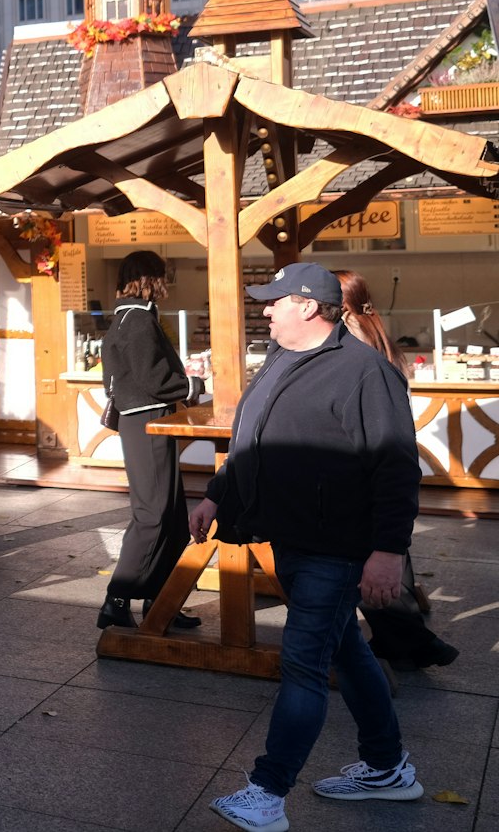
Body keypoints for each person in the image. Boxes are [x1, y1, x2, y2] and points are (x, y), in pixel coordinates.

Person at [190, 263, 423, 831]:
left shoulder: (365, 372)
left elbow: (396, 469)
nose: (264, 310)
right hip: (292, 536)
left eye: (274, 301)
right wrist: (218, 493)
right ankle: (388, 767)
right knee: (345, 650)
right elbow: (252, 437)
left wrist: (388, 551)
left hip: (336, 547)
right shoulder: (282, 357)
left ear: (310, 307)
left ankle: (267, 794)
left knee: (303, 663)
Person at [336, 269, 456, 673]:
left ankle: (416, 643)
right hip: (382, 460)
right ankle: (404, 642)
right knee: (390, 554)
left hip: (365, 463)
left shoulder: (351, 339)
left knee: (367, 557)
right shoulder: (376, 334)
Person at [98, 250, 205, 632]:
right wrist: (193, 384)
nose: (167, 283)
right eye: (163, 276)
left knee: (172, 517)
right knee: (154, 515)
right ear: (150, 279)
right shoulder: (139, 320)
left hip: (142, 421)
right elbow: (153, 380)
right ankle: (117, 598)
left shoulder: (127, 316)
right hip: (147, 421)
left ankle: (161, 602)